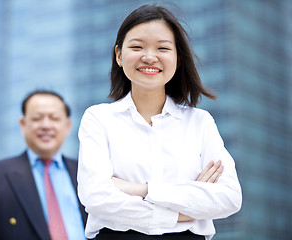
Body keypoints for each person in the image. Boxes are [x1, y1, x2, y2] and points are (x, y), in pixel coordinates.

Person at [77, 4, 242, 240]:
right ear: (119, 55)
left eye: (163, 48)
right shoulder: (99, 119)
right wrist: (183, 211)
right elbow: (96, 197)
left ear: (178, 59)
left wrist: (142, 190)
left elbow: (229, 198)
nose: (149, 57)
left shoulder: (200, 123)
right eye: (137, 47)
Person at [0, 90, 87, 240]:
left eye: (54, 118)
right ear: (23, 124)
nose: (46, 125)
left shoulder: (85, 172)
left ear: (67, 126)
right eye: (37, 118)